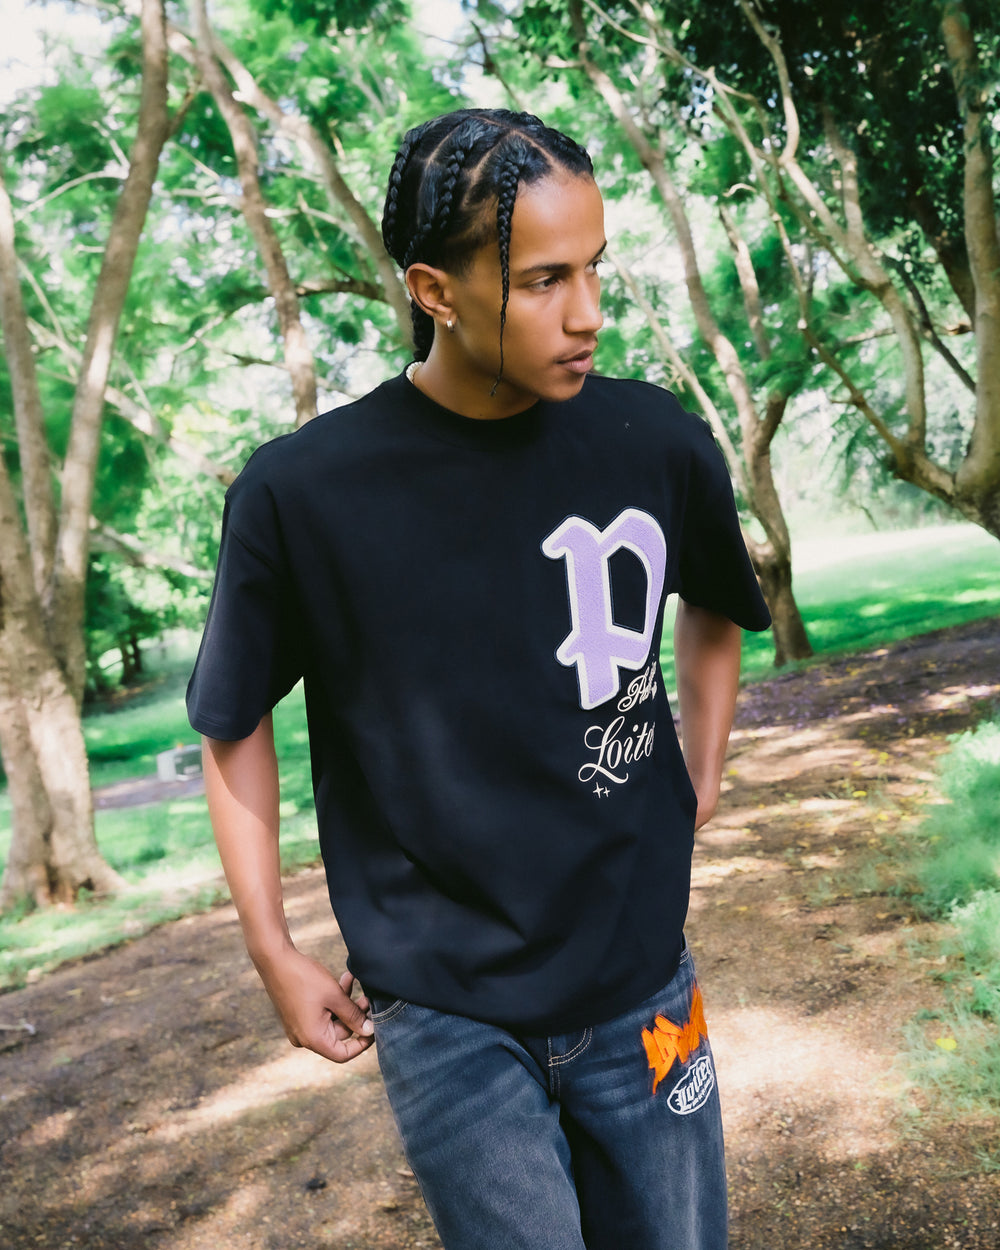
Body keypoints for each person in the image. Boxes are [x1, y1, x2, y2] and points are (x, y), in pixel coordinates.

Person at [187, 108, 771, 1250]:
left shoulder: (654, 440)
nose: (587, 312)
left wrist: (698, 772)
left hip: (643, 981)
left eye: (594, 267)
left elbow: (714, 605)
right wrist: (271, 945)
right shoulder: (302, 494)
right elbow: (233, 718)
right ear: (434, 290)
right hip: (446, 1015)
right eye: (545, 279)